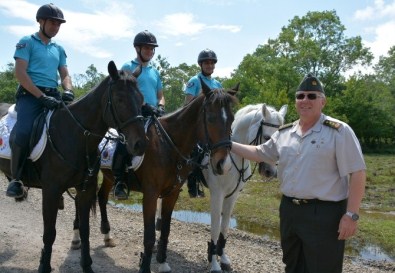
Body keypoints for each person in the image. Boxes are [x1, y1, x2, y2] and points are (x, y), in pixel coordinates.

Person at [231, 73, 366, 273]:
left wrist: (351, 214)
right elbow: (260, 153)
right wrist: (228, 144)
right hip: (290, 211)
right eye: (300, 96)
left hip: (324, 214)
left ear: (323, 102)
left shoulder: (339, 131)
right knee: (293, 265)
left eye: (311, 96)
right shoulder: (285, 133)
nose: (305, 100)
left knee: (323, 268)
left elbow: (358, 172)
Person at [6, 3, 74, 198]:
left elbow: (65, 74)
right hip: (30, 96)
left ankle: (65, 176)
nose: (55, 27)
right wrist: (40, 96)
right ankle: (16, 179)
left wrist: (68, 90)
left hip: (53, 94)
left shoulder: (59, 49)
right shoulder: (27, 42)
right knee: (24, 130)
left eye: (58, 24)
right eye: (52, 22)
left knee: (72, 129)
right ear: (41, 21)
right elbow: (20, 73)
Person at [111, 30, 165, 200]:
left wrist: (161, 106)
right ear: (137, 48)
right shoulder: (128, 67)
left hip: (154, 114)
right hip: (135, 114)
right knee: (123, 142)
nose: (149, 51)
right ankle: (119, 181)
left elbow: (160, 94)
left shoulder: (155, 72)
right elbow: (125, 93)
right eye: (146, 48)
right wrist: (144, 106)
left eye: (152, 48)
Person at [184, 49, 223, 197]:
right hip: (196, 123)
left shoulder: (217, 83)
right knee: (196, 150)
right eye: (206, 62)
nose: (210, 65)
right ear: (201, 64)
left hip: (213, 125)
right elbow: (187, 104)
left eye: (212, 63)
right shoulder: (194, 81)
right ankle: (192, 184)